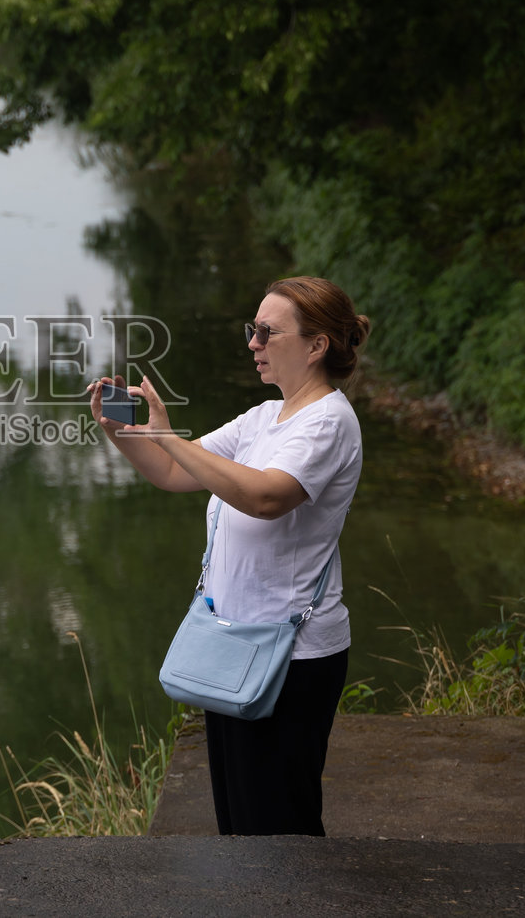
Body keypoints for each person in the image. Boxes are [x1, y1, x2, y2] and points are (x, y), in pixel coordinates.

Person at [88, 276, 370, 836]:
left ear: (316, 346)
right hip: (234, 644)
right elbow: (173, 471)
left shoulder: (329, 422)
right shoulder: (263, 418)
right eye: (252, 330)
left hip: (293, 656)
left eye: (267, 332)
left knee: (280, 826)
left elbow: (267, 496)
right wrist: (132, 434)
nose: (253, 343)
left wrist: (170, 439)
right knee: (240, 824)